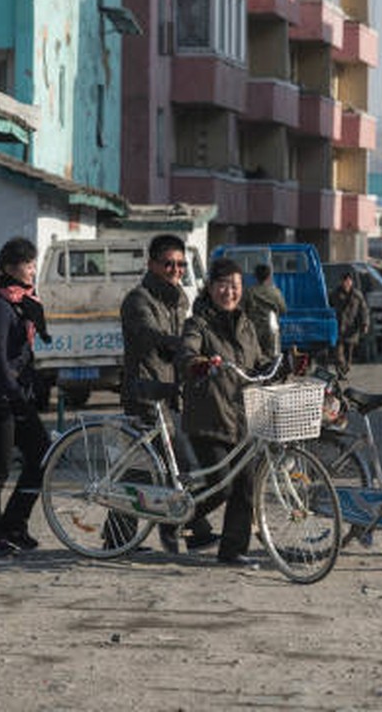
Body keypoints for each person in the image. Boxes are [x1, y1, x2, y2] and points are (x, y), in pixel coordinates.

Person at [115, 234, 216, 553]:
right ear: (152, 264)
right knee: (174, 463)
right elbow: (149, 337)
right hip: (144, 391)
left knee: (149, 467)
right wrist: (184, 346)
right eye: (169, 264)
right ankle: (188, 529)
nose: (176, 270)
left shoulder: (180, 298)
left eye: (181, 264)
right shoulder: (138, 300)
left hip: (170, 390)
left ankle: (120, 535)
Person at [177, 258, 268, 566]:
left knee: (245, 486)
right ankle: (179, 517)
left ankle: (232, 551)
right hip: (208, 418)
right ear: (211, 287)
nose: (230, 292)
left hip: (242, 419)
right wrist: (197, 363)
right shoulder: (198, 323)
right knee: (222, 484)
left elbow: (257, 361)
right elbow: (188, 351)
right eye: (224, 285)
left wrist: (278, 366)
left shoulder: (246, 324)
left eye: (236, 286)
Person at [0, 237, 51, 556]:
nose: (32, 270)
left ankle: (15, 522)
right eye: (25, 264)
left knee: (42, 456)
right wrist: (15, 398)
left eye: (33, 263)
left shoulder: (22, 303)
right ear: (7, 268)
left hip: (19, 397)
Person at [241, 263, 286, 360]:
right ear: (269, 276)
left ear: (255, 276)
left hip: (253, 329)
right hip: (271, 330)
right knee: (273, 359)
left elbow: (242, 310)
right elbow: (283, 310)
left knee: (254, 357)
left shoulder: (249, 292)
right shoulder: (275, 292)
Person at [329, 271, 369, 377]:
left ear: (351, 282)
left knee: (349, 353)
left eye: (348, 281)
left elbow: (363, 310)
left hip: (352, 328)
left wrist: (365, 324)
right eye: (344, 280)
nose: (346, 283)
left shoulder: (357, 295)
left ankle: (345, 368)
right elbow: (329, 308)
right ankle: (340, 369)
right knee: (338, 354)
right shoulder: (335, 294)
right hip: (338, 327)